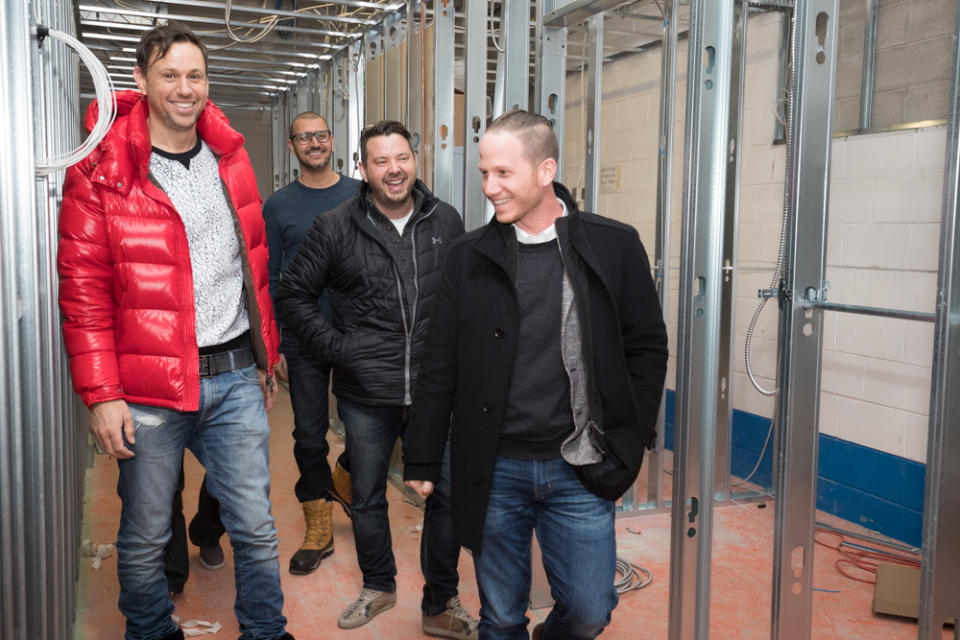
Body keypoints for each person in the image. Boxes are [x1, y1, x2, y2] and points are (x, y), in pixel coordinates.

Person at [57, 22, 293, 640]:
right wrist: (103, 396)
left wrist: (263, 353)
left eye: (195, 75)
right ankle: (150, 630)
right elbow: (83, 294)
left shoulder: (231, 158)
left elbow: (252, 260)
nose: (184, 89)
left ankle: (266, 632)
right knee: (145, 531)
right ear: (141, 80)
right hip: (148, 385)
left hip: (236, 374)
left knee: (256, 525)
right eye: (169, 75)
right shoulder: (102, 171)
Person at [402, 109, 669, 640]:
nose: (489, 187)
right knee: (500, 617)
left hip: (580, 464)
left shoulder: (613, 245)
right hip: (494, 465)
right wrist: (424, 455)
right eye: (484, 173)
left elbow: (646, 347)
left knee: (591, 610)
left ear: (546, 171)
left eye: (504, 173)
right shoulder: (467, 256)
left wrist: (632, 436)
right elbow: (438, 363)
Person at [276, 120, 478, 639]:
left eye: (402, 157)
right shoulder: (335, 226)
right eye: (381, 161)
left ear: (416, 160)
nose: (394, 170)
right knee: (366, 494)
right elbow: (293, 296)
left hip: (436, 391)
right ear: (363, 169)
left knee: (448, 496)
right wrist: (341, 350)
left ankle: (440, 601)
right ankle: (379, 585)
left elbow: (466, 301)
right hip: (367, 391)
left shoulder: (446, 221)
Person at [262, 111, 360, 575]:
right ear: (292, 146)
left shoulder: (360, 193)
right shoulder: (279, 205)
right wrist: (275, 342)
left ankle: (343, 478)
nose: (314, 143)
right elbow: (270, 276)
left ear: (332, 139)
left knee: (368, 430)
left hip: (358, 332)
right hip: (302, 336)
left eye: (320, 135)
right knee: (307, 433)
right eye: (304, 137)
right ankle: (318, 527)